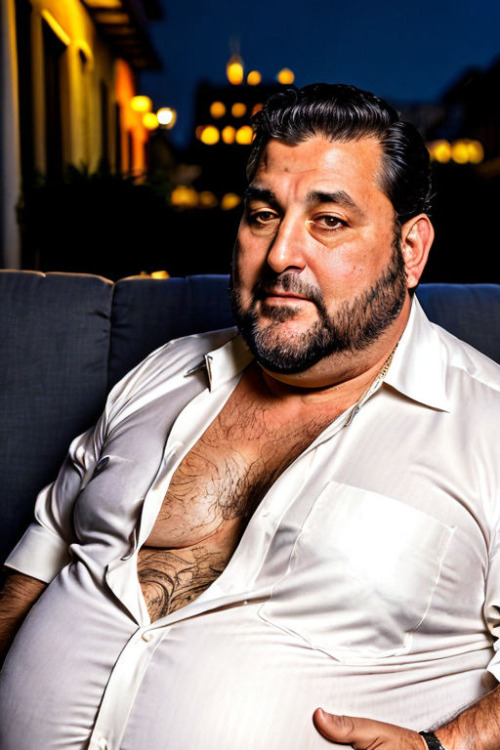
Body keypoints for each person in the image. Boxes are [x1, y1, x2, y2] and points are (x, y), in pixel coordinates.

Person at [1, 83, 500, 750]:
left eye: (329, 221)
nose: (281, 254)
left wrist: (448, 745)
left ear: (410, 250)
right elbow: (38, 563)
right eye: (264, 214)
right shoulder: (164, 373)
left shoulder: (488, 426)